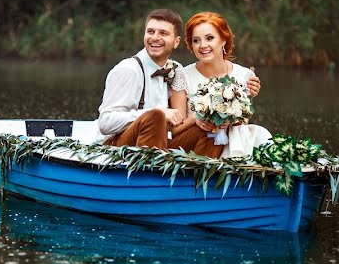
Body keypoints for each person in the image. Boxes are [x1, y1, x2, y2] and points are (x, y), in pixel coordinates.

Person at [97, 9, 259, 155]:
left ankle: (197, 179)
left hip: (160, 144)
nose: (155, 37)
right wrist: (157, 112)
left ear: (176, 42)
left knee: (210, 126)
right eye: (150, 31)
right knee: (155, 116)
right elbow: (105, 123)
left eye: (163, 33)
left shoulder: (174, 69)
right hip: (118, 148)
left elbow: (179, 122)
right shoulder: (129, 70)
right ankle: (150, 178)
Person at [169, 11, 269, 158]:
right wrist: (197, 119)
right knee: (210, 133)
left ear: (223, 39)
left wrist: (229, 120)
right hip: (193, 145)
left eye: (209, 38)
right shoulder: (182, 75)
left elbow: (244, 122)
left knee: (260, 137)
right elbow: (174, 130)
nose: (203, 45)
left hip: (233, 142)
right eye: (196, 40)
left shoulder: (245, 76)